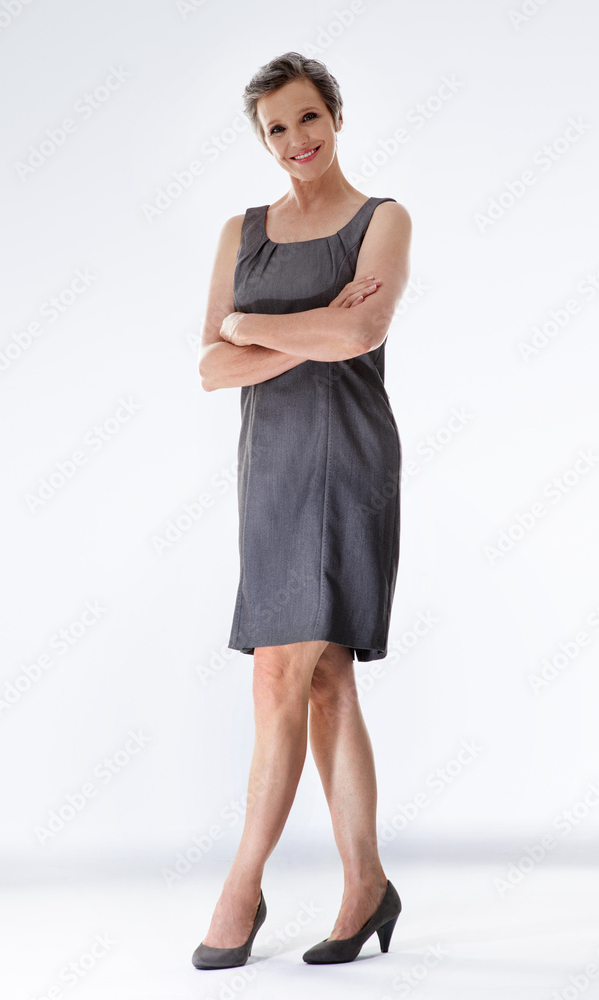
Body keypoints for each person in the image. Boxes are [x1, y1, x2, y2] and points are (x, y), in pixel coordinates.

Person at [192, 51, 412, 969]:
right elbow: (212, 368)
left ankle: (239, 891)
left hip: (349, 462)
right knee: (325, 681)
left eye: (308, 117)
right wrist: (301, 332)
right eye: (276, 128)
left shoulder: (382, 220)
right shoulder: (240, 232)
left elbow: (362, 330)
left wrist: (252, 328)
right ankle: (367, 886)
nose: (296, 140)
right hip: (271, 473)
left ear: (337, 116)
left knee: (280, 675)